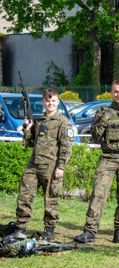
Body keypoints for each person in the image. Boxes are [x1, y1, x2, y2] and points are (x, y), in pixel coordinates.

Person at [74, 80, 119, 244]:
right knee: (98, 194)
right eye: (116, 92)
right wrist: (104, 120)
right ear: (112, 93)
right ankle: (90, 231)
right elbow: (95, 136)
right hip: (108, 157)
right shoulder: (103, 111)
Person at [6, 89, 73, 241]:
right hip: (33, 165)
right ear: (44, 101)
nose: (50, 103)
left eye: (53, 101)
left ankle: (49, 230)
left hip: (51, 167)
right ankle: (20, 227)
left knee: (51, 199)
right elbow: (31, 143)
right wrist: (27, 129)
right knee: (24, 196)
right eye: (48, 100)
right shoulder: (38, 120)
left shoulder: (63, 122)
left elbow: (66, 146)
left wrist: (61, 166)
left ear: (57, 102)